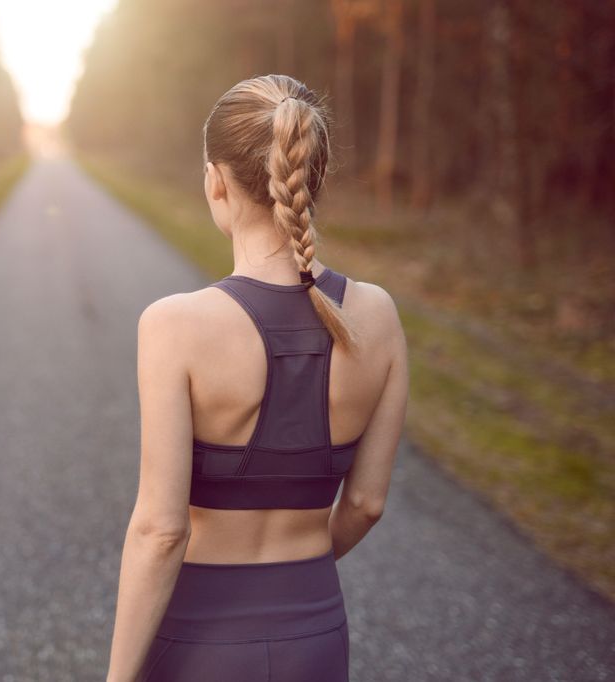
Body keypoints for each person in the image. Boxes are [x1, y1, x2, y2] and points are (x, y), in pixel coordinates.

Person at [105, 74, 409, 682]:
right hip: (318, 638)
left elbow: (160, 530)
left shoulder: (176, 324)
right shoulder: (377, 314)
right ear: (310, 177)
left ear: (215, 181)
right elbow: (367, 504)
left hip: (199, 641)